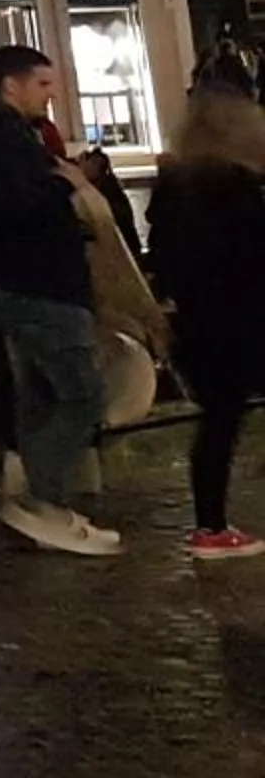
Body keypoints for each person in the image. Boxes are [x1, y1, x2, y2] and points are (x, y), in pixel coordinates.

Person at [0, 43, 119, 556]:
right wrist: (70, 187)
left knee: (42, 395)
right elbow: (13, 207)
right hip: (38, 287)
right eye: (42, 84)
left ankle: (47, 503)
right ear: (11, 86)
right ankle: (42, 503)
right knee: (85, 394)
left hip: (18, 285)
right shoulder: (2, 139)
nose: (51, 94)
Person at [149, 80, 265, 559]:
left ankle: (209, 525)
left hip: (199, 325)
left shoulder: (173, 189)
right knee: (223, 421)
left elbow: (163, 256)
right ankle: (213, 529)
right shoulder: (235, 189)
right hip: (243, 322)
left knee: (218, 421)